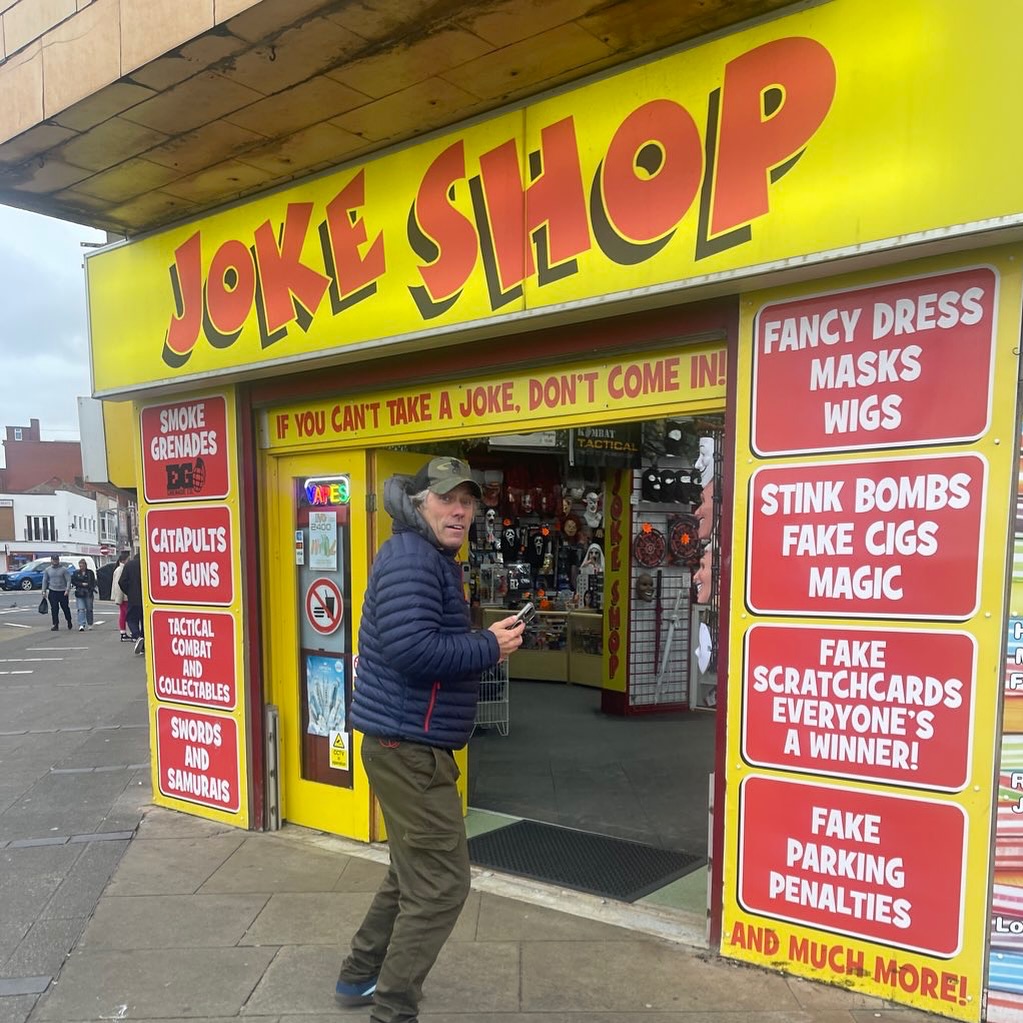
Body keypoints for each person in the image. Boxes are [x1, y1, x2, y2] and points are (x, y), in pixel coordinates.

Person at [335, 456, 524, 1022]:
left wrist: (480, 640)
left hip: (408, 742)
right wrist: (488, 645)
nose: (460, 510)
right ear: (419, 504)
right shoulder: (413, 560)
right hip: (407, 747)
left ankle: (359, 976)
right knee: (441, 884)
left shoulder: (428, 558)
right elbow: (413, 653)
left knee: (411, 871)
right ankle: (392, 1008)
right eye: (447, 499)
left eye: (467, 501)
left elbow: (417, 643)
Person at [118, 552, 145, 655]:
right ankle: (143, 644)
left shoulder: (129, 565)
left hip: (133, 598)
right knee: (144, 621)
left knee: (131, 619)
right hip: (146, 598)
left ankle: (137, 636)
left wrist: (128, 591)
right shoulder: (147, 564)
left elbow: (122, 581)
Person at [41, 554, 73, 631]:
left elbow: (68, 580)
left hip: (62, 591)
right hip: (53, 591)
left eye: (56, 560)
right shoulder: (48, 570)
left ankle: (69, 620)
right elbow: (45, 580)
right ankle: (55, 624)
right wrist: (43, 591)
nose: (55, 561)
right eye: (54, 560)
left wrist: (67, 590)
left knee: (65, 608)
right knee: (54, 609)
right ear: (51, 560)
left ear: (58, 560)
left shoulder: (64, 570)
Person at [70, 558, 97, 631]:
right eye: (80, 566)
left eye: (82, 566)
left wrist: (90, 586)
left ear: (85, 565)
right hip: (80, 592)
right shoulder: (76, 573)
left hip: (88, 592)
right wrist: (81, 584)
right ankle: (81, 624)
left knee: (89, 609)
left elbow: (93, 582)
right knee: (81, 609)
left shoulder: (90, 573)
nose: (81, 567)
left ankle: (90, 623)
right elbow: (73, 581)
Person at [110, 551, 131, 641]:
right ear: (125, 560)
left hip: (123, 596)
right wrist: (119, 598)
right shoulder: (120, 570)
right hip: (124, 596)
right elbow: (119, 585)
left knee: (123, 614)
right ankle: (125, 632)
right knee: (127, 614)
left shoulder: (120, 569)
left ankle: (123, 632)